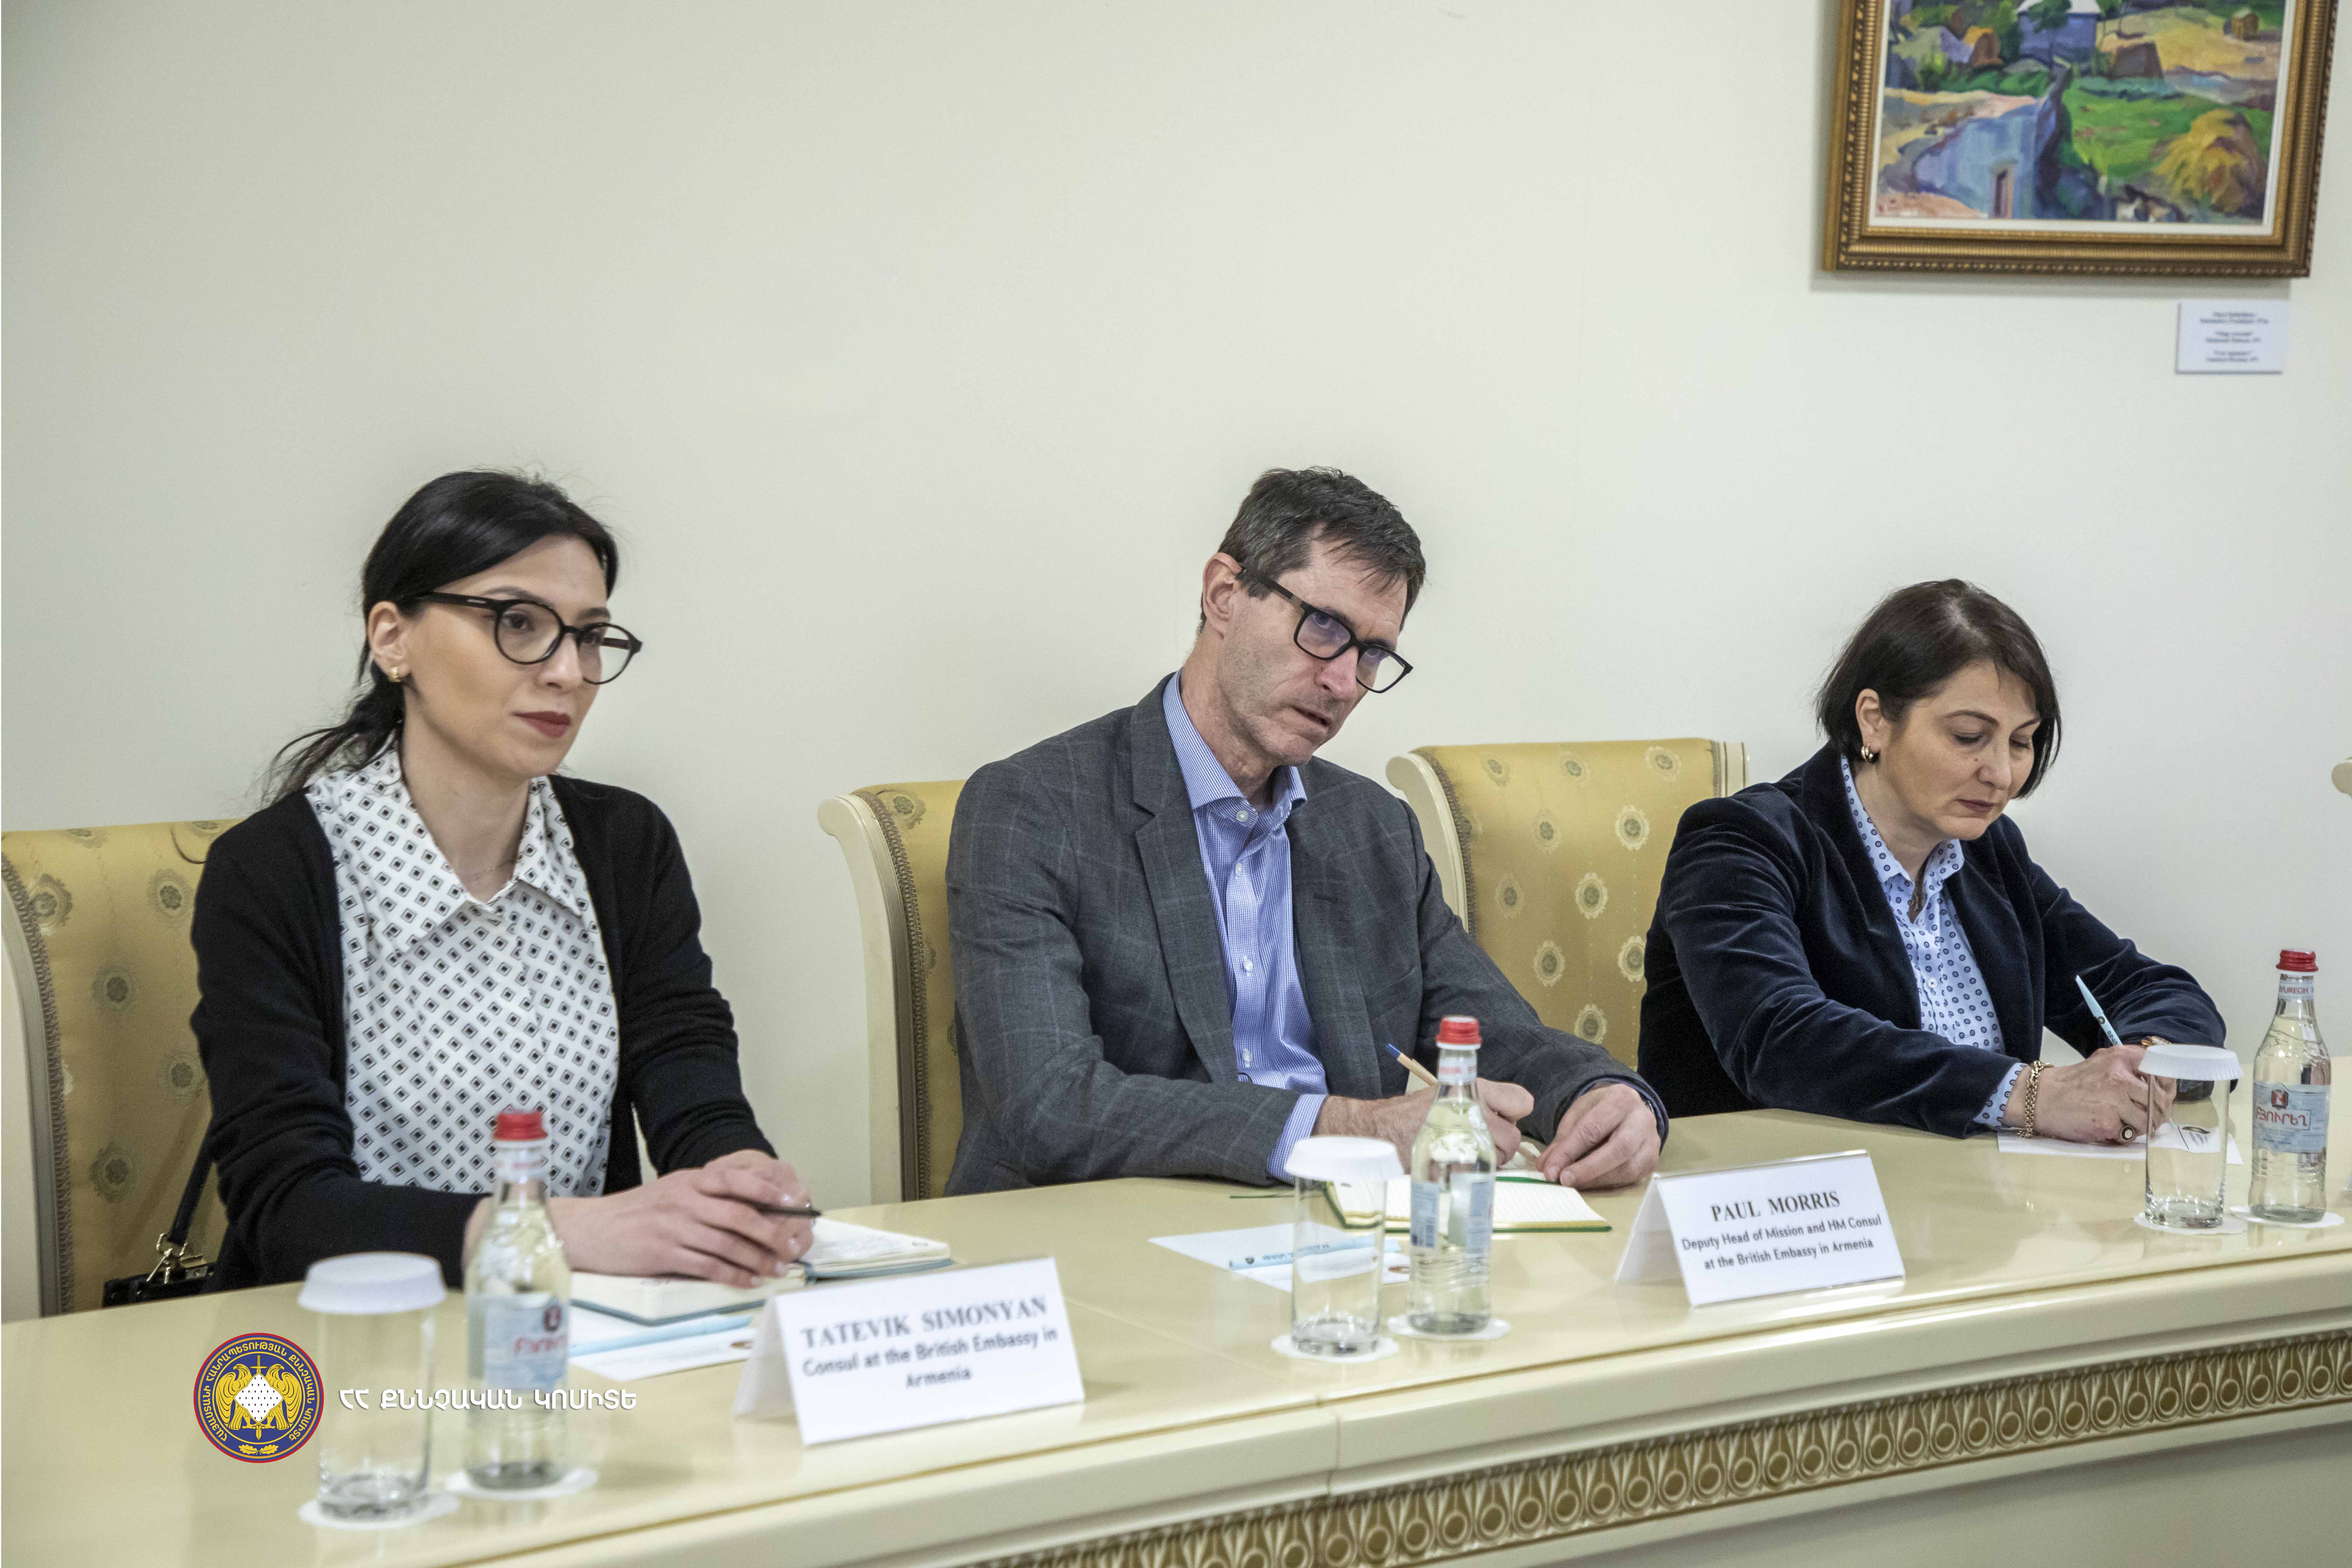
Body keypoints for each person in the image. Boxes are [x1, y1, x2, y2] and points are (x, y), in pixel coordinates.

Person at [946, 467, 1665, 1194]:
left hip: (1346, 1233)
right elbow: (1050, 1104)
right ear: (1224, 594)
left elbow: (1490, 1032)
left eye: (1372, 653)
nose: (1344, 682)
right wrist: (1350, 1129)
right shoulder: (1034, 808)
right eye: (1324, 627)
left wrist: (1599, 1094)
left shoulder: (1373, 827)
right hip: (1111, 1228)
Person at [194, 471, 811, 1288]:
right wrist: (561, 1231)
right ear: (393, 638)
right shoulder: (274, 869)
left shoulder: (625, 844)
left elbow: (684, 1066)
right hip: (344, 1334)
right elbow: (290, 1207)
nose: (567, 672)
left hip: (580, 1328)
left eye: (590, 636)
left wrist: (740, 1180)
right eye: (519, 622)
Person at [1638, 579, 2224, 1141]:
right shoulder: (1740, 840)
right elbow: (1778, 1038)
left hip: (1967, 1197)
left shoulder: (1989, 853)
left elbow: (2154, 990)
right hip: (1775, 1193)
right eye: (1969, 736)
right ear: (1874, 720)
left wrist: (2146, 1065)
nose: (2001, 774)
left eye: (2021, 742)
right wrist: (2032, 1093)